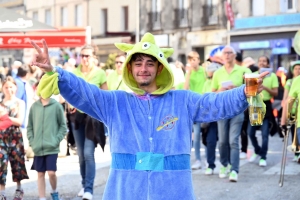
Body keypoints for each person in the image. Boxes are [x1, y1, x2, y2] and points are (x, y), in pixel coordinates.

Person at [30, 33, 267, 200]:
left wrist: (245, 91)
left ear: (160, 68)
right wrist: (55, 71)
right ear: (130, 69)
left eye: (149, 63)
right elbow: (85, 93)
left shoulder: (182, 100)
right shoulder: (115, 102)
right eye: (138, 63)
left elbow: (215, 104)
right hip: (125, 192)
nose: (143, 68)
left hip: (173, 192)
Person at [69, 45, 107, 199]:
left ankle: (89, 190)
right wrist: (69, 103)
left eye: (88, 56)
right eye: (82, 55)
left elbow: (106, 95)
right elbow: (69, 92)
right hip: (77, 118)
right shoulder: (75, 73)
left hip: (93, 119)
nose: (84, 59)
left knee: (88, 153)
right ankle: (84, 184)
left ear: (94, 58)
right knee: (80, 155)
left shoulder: (100, 73)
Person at [211, 46, 252, 182]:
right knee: (222, 141)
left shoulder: (243, 71)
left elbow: (250, 89)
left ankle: (234, 170)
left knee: (233, 140)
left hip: (237, 110)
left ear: (235, 55)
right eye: (225, 53)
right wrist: (221, 89)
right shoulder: (217, 73)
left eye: (230, 53)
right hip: (222, 111)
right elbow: (212, 93)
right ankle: (224, 165)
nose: (227, 55)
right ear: (222, 56)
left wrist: (237, 89)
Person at [27, 96, 67, 200]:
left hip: (52, 147)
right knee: (40, 173)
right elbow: (30, 126)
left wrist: (56, 140)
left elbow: (63, 126)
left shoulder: (57, 106)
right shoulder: (34, 107)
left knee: (51, 173)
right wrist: (33, 142)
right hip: (38, 147)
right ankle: (42, 197)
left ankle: (54, 191)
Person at [0, 76, 29, 200]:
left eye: (11, 87)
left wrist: (5, 116)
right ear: (2, 88)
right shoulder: (0, 103)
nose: (9, 90)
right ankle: (2, 192)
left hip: (15, 137)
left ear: (15, 88)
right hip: (1, 137)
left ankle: (19, 188)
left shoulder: (20, 102)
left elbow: (19, 120)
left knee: (17, 163)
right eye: (6, 87)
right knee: (1, 164)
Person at [247, 56, 278, 167]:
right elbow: (249, 91)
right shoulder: (253, 75)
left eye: (264, 61)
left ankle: (263, 156)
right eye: (260, 61)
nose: (262, 63)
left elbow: (275, 93)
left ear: (268, 64)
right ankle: (257, 150)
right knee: (250, 132)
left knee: (265, 134)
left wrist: (264, 87)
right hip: (255, 104)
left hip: (266, 105)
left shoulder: (273, 76)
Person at [184, 51, 206, 170]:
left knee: (206, 134)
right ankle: (198, 159)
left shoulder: (204, 71)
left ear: (198, 59)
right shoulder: (189, 73)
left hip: (204, 105)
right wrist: (188, 73)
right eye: (190, 59)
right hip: (194, 107)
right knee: (196, 135)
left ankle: (208, 158)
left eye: (195, 59)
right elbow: (185, 88)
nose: (193, 62)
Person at [202, 62, 221, 175]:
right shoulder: (207, 83)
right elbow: (204, 98)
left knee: (225, 142)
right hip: (211, 116)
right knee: (210, 141)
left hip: (224, 114)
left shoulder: (222, 81)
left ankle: (226, 163)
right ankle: (210, 165)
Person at [281, 60, 300, 162]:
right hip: (293, 112)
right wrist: (283, 120)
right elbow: (286, 99)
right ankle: (297, 152)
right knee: (294, 133)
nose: (298, 70)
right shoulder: (291, 81)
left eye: (299, 68)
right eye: (296, 69)